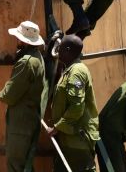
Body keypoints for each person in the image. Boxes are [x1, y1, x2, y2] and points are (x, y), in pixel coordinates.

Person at [0, 21, 49, 172]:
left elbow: (8, 96)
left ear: (23, 41)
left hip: (20, 123)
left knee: (15, 165)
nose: (17, 41)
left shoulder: (26, 63)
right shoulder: (36, 57)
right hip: (29, 119)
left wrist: (1, 94)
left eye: (18, 38)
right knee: (24, 166)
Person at [46, 35, 99, 172]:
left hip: (77, 140)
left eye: (61, 47)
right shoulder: (70, 69)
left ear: (68, 50)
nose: (58, 50)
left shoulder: (76, 72)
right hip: (70, 138)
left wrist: (57, 127)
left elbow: (76, 107)